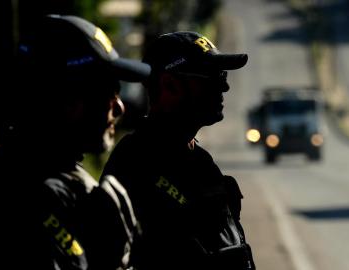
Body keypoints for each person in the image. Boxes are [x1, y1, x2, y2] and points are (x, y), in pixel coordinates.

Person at [0, 15, 150, 270]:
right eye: (109, 91)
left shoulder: (32, 178)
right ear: (67, 100)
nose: (119, 107)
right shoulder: (33, 201)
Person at [103, 31, 256, 270]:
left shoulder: (200, 160)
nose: (224, 86)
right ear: (169, 85)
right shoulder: (134, 163)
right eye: (212, 76)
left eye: (223, 74)